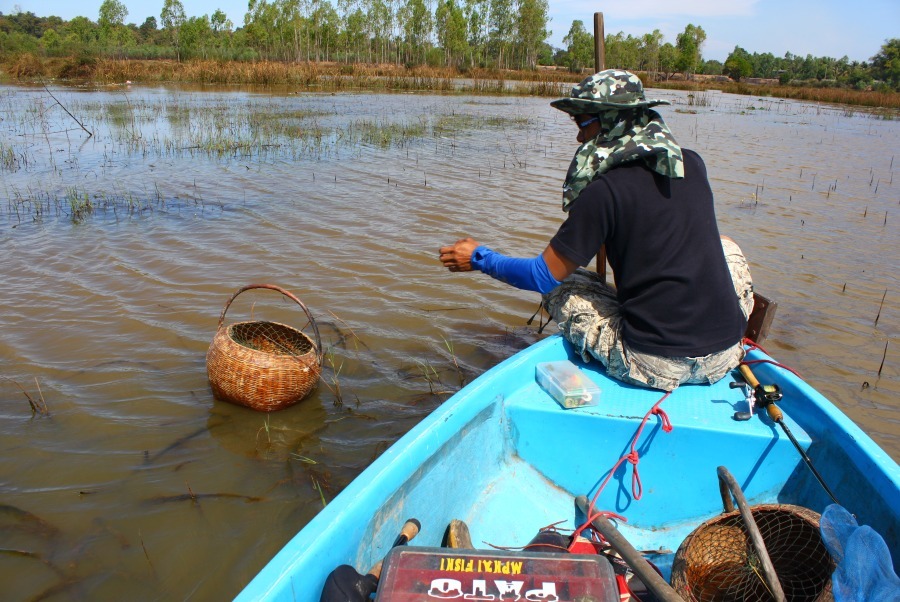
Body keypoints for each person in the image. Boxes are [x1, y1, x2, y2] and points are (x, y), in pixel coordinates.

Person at [438, 69, 754, 391]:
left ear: (611, 122)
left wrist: (479, 258)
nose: (578, 138)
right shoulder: (692, 163)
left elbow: (539, 275)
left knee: (564, 283)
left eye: (582, 124)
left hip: (653, 364)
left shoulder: (605, 191)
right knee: (726, 244)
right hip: (726, 353)